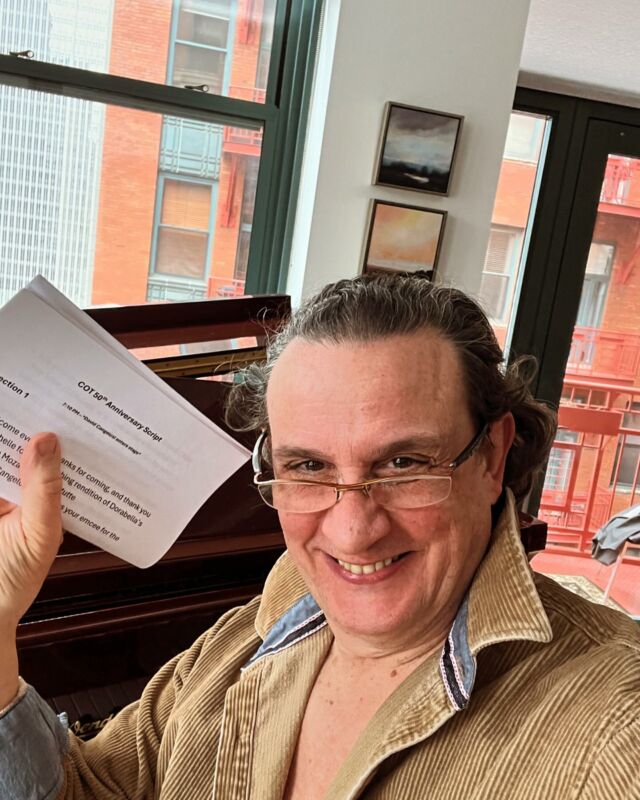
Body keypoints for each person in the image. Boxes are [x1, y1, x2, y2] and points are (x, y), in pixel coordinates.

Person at [1, 273, 638, 800]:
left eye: (404, 464)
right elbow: (86, 789)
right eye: (308, 467)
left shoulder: (617, 735)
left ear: (492, 457)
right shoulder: (243, 640)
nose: (353, 531)